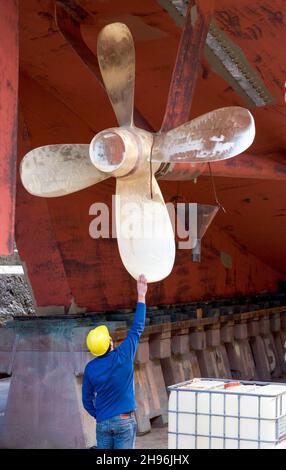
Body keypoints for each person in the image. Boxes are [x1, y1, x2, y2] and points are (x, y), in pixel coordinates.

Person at [82, 274, 148, 449]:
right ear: (110, 342)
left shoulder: (90, 369)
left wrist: (99, 414)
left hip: (102, 422)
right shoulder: (124, 355)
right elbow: (137, 327)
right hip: (124, 421)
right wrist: (141, 296)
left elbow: (86, 400)